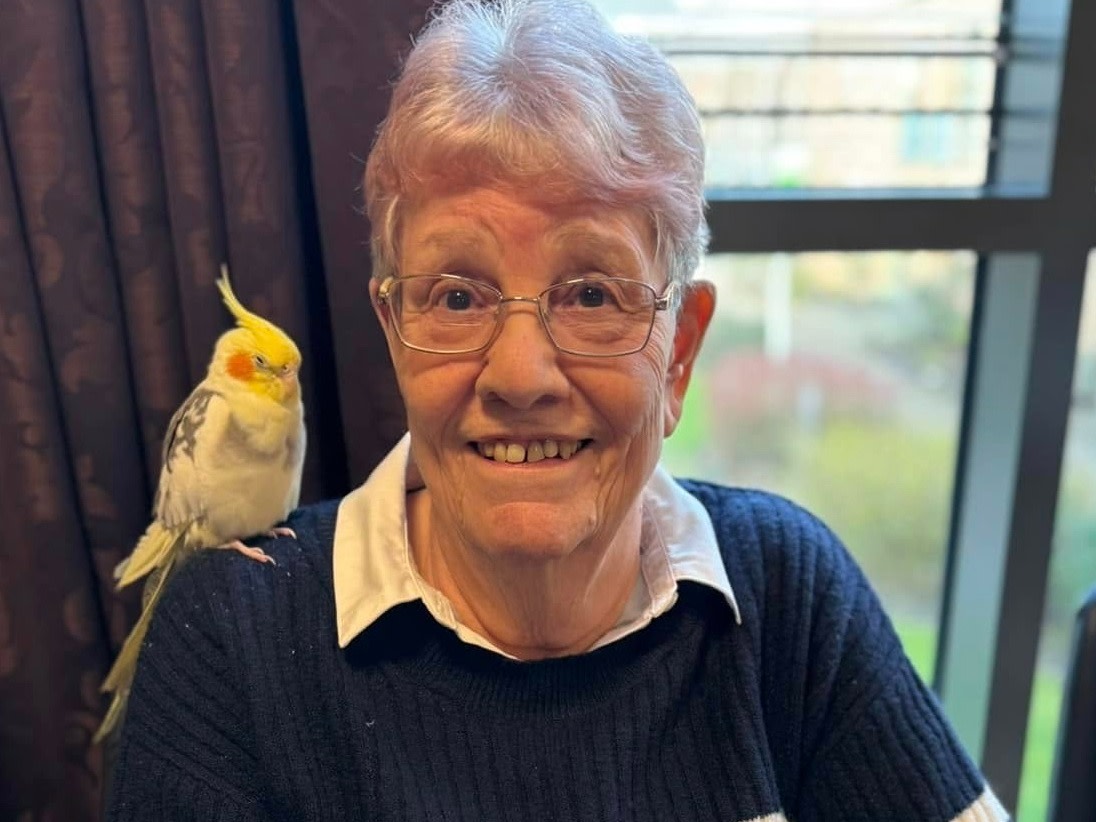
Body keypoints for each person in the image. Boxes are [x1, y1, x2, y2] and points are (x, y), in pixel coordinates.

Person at [104, 0, 1010, 819]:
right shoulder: (233, 636)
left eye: (592, 295)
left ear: (679, 353)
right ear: (396, 336)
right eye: (458, 297)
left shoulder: (790, 596)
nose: (521, 375)